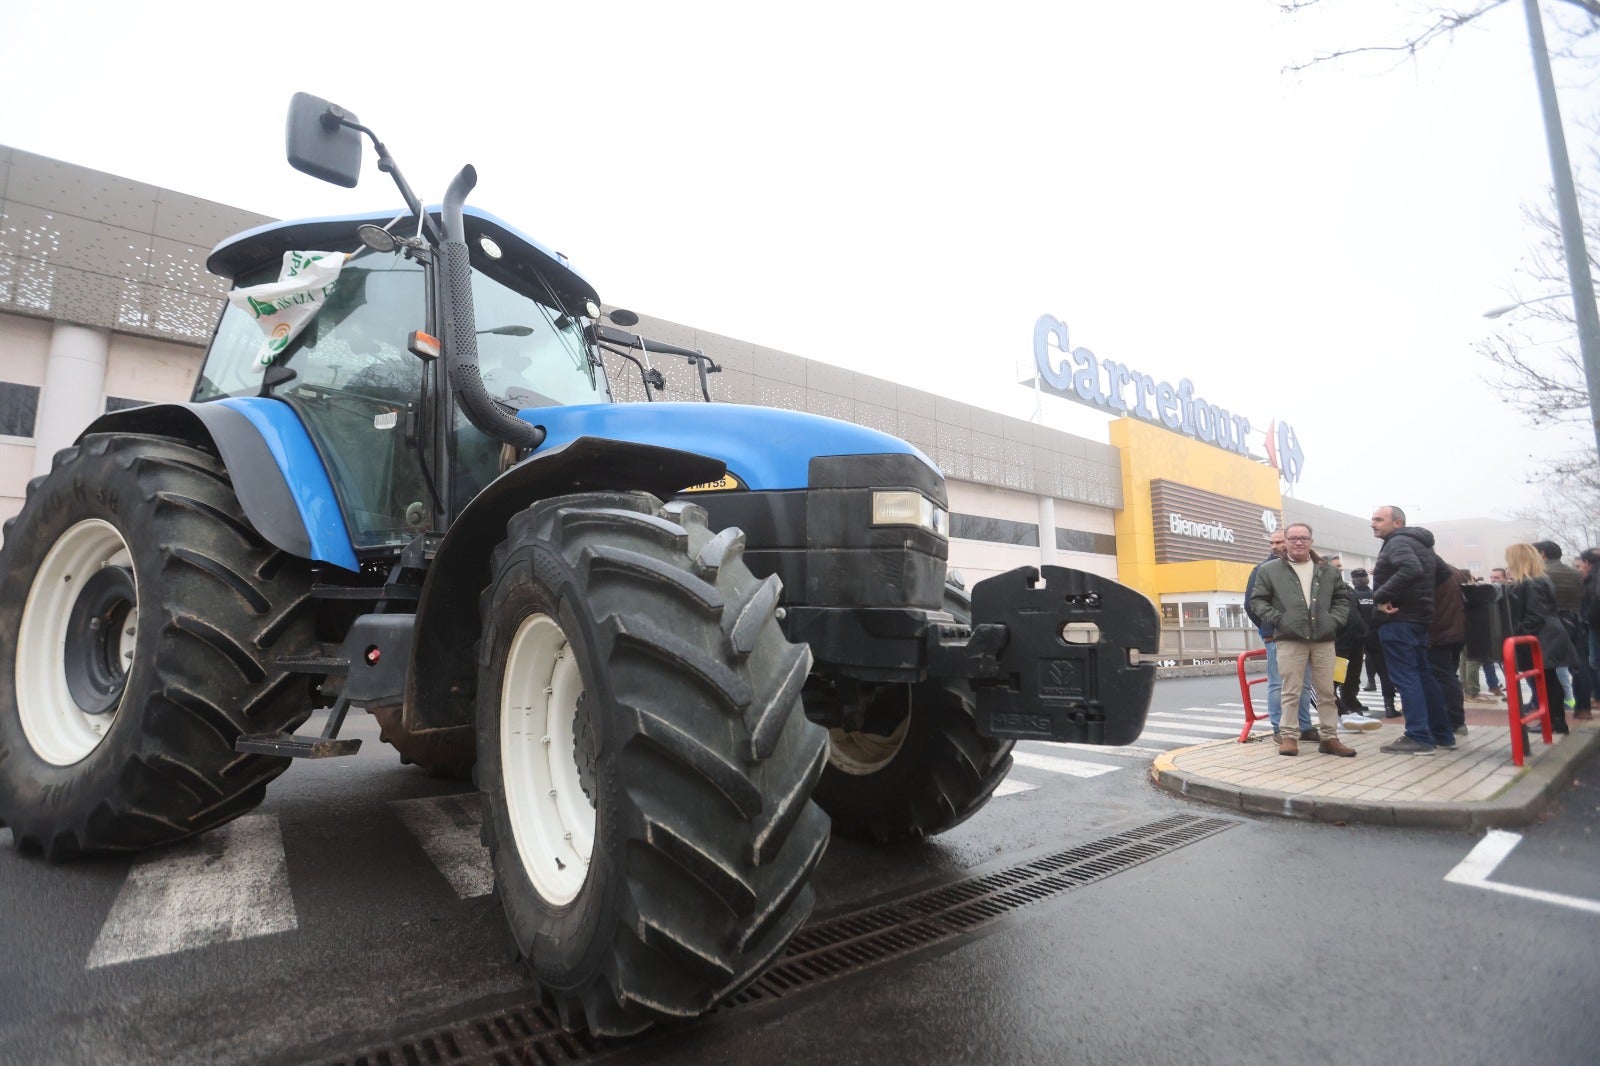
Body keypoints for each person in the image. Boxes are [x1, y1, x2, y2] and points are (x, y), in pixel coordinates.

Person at [1246, 523, 1356, 757]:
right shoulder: (1270, 570)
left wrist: (1333, 620)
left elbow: (1342, 599)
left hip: (1324, 639)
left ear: (1311, 541)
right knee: (1290, 690)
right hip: (1289, 639)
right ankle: (1289, 736)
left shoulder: (1327, 570)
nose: (1298, 542)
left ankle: (1329, 737)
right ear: (1285, 541)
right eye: (1293, 538)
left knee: (1327, 691)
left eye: (1303, 538)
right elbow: (1257, 601)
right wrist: (1280, 620)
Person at [1369, 505, 1454, 756]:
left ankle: (1418, 736)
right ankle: (1442, 735)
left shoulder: (1397, 542)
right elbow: (1443, 572)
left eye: (1378, 519)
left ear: (1397, 523)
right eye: (1372, 520)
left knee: (1407, 679)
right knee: (1423, 676)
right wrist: (1419, 597)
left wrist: (1381, 596)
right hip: (1419, 619)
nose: (1373, 524)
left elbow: (1411, 569)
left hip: (1398, 620)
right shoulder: (1422, 544)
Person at [1244, 528, 1315, 742]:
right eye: (1272, 543)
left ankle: (1304, 726)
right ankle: (1279, 729)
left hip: (1306, 635)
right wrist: (1270, 627)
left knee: (1303, 683)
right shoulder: (1263, 569)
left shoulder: (1303, 567)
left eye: (1279, 542)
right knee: (1278, 683)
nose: (1275, 547)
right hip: (1276, 636)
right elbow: (1251, 605)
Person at [1504, 543, 1578, 735]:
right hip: (1550, 634)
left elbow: (1535, 616)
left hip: (1544, 637)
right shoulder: (1539, 579)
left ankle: (1555, 722)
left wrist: (1519, 635)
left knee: (1548, 680)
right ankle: (1556, 721)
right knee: (1550, 679)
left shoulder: (1531, 582)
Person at [1534, 541, 1590, 718]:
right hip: (1575, 622)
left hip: (1550, 626)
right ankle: (1583, 709)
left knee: (1549, 670)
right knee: (1580, 666)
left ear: (1542, 554)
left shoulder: (1538, 574)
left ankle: (1554, 713)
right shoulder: (1576, 573)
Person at [1428, 561, 1471, 738]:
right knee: (1450, 676)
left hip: (1440, 631)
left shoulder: (1432, 570)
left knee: (1443, 677)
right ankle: (1456, 720)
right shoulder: (1454, 570)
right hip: (1457, 630)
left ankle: (1453, 721)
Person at [1340, 568, 1375, 716]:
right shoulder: (1328, 591)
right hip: (1340, 642)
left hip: (1357, 640)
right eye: (1336, 567)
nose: (1339, 570)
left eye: (1340, 567)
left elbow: (1359, 614)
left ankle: (1351, 703)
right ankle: (1342, 707)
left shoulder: (1350, 591)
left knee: (1353, 676)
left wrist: (1363, 632)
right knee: (1337, 677)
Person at [1579, 548, 1600, 721]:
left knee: (1595, 661)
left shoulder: (1594, 576)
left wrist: (1586, 619)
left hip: (1595, 624)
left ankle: (1599, 697)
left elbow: (1594, 600)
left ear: (1586, 562)